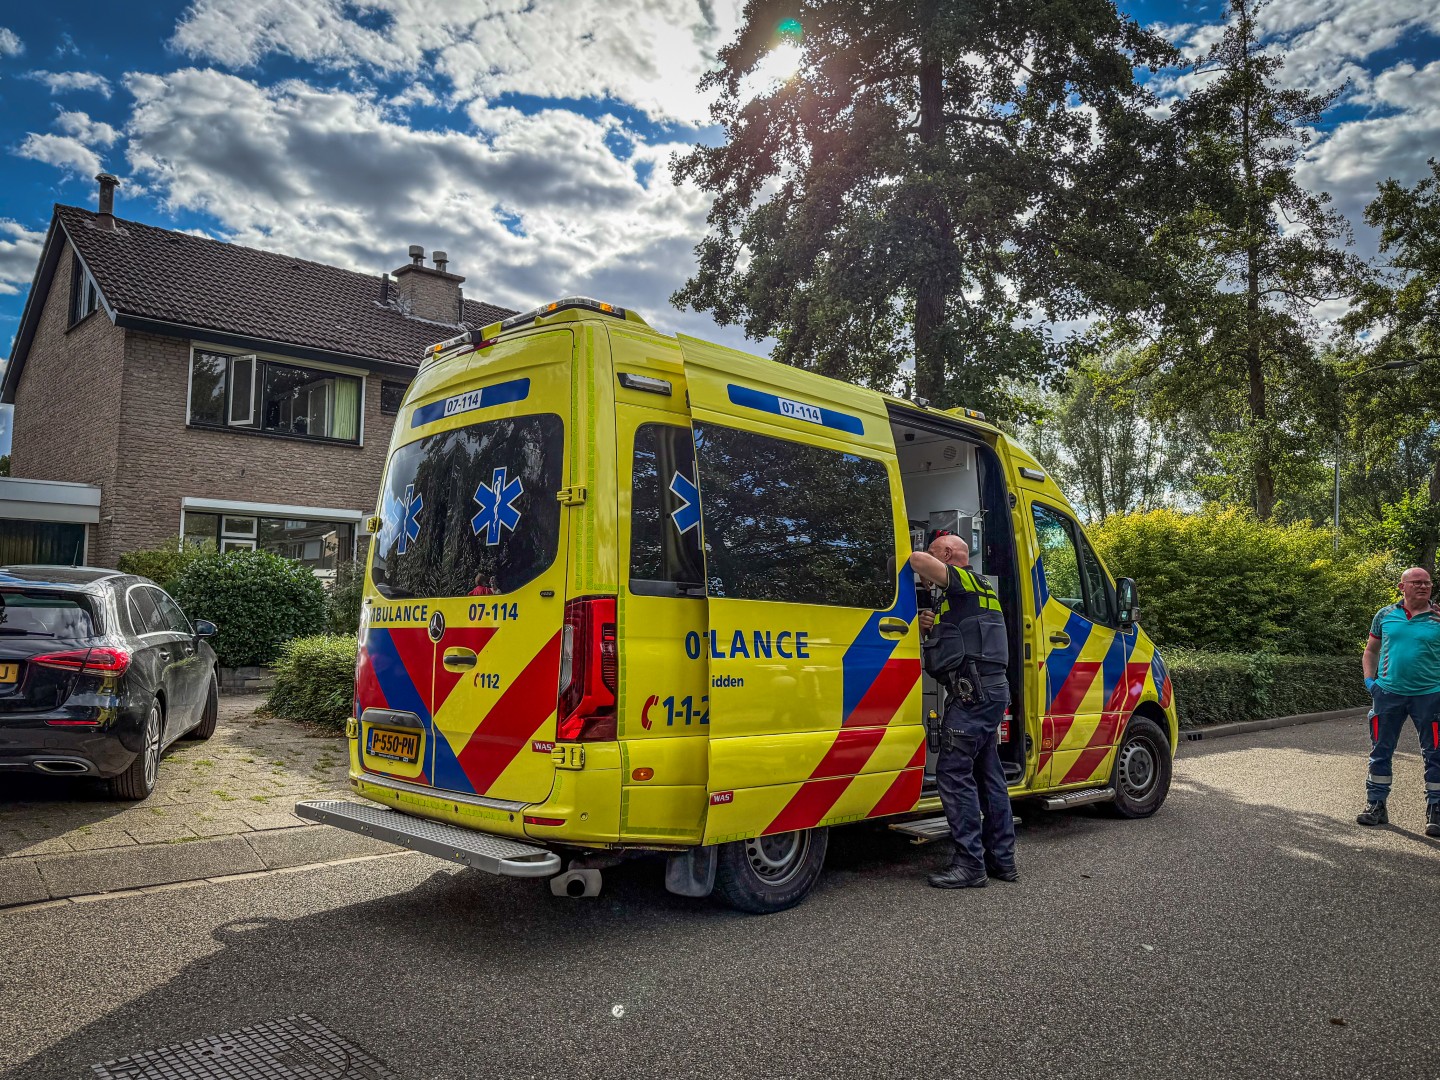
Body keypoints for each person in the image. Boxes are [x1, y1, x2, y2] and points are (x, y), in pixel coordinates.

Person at [909, 532, 1017, 888]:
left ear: (951, 553)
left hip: (973, 696)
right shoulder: (973, 594)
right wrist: (932, 622)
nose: (930, 559)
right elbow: (962, 632)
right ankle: (1002, 861)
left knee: (954, 776)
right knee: (990, 778)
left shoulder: (969, 578)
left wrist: (923, 561)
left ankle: (970, 865)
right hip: (988, 693)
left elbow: (917, 560)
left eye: (937, 553)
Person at [1358, 566, 1440, 837]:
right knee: (1380, 750)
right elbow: (1371, 650)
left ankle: (1436, 810)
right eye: (1416, 582)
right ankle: (1376, 805)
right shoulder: (1385, 615)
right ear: (1401, 587)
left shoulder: (1438, 616)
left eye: (1427, 582)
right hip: (1388, 695)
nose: (1423, 586)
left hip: (1431, 696)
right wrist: (1371, 682)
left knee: (1435, 754)